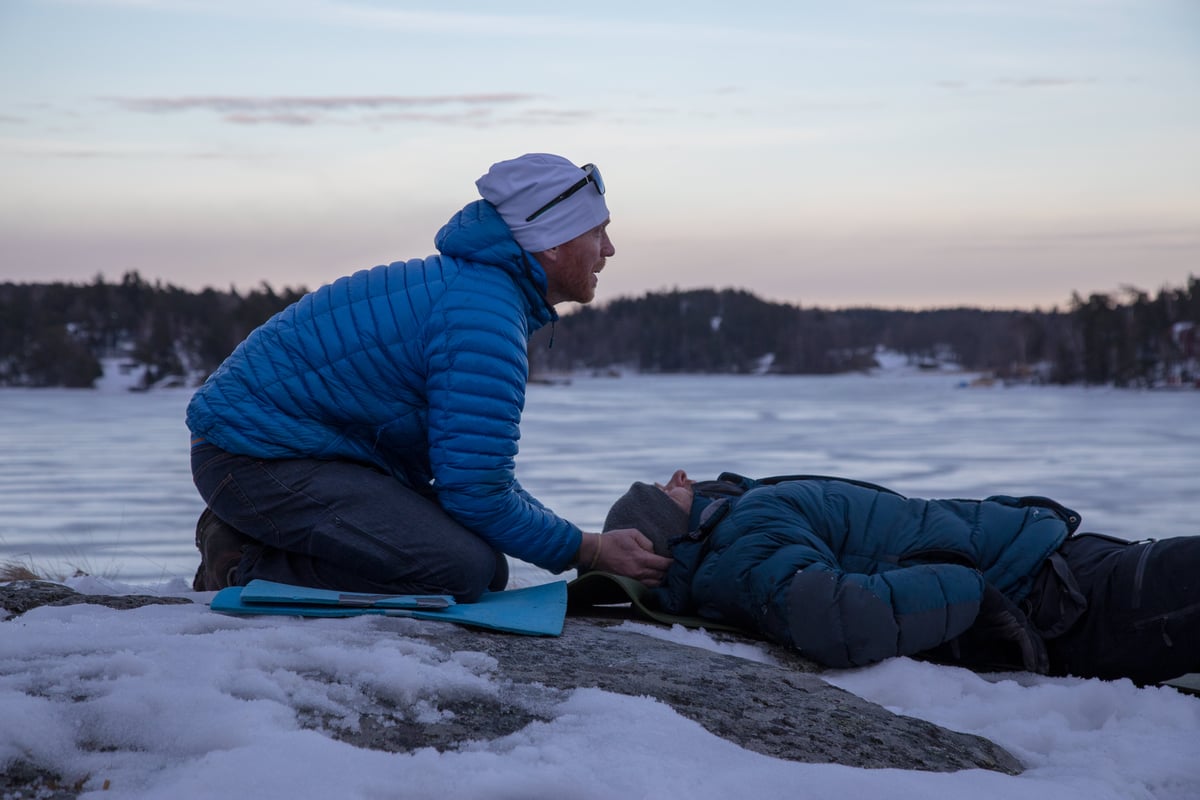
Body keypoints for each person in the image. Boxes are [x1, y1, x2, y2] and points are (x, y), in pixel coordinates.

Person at [186, 154, 673, 599]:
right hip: (253, 460)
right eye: (596, 232)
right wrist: (587, 550)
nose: (609, 249)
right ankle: (240, 557)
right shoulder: (481, 317)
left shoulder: (481, 295)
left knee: (486, 569)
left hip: (298, 455)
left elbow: (478, 478)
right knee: (456, 570)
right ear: (550, 243)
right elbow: (476, 493)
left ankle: (262, 531)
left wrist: (577, 544)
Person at [599, 469, 1200, 685]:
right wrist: (972, 591)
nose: (678, 478)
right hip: (1057, 593)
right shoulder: (742, 542)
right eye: (663, 492)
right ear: (669, 534)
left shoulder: (739, 523)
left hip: (1055, 564)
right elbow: (840, 618)